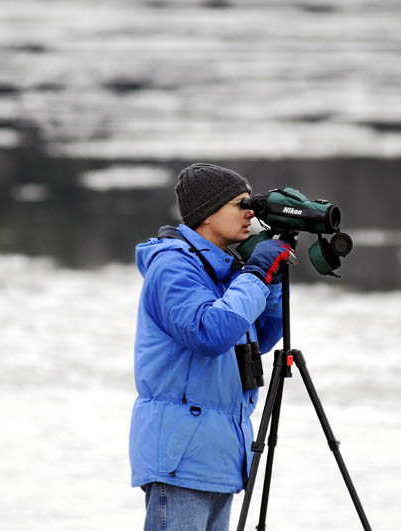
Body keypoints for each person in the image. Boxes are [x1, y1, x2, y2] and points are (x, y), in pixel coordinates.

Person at [129, 163, 293, 530]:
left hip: (219, 457)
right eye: (240, 203)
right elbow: (209, 334)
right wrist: (253, 275)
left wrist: (274, 280)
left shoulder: (222, 269)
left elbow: (259, 339)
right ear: (207, 213)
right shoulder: (173, 268)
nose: (251, 212)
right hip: (181, 461)